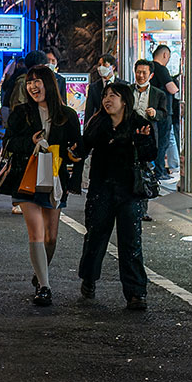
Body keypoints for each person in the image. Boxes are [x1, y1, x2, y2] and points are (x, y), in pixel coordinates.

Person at [0, 65, 83, 307]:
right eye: (30, 82)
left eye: (38, 81)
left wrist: (73, 154)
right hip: (27, 177)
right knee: (36, 232)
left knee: (51, 237)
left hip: (54, 179)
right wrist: (29, 141)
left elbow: (78, 147)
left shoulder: (67, 114)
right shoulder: (21, 112)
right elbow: (9, 143)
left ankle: (40, 270)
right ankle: (45, 286)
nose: (33, 86)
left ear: (49, 84)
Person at [77, 79, 155, 311]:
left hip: (130, 190)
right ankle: (89, 279)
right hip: (101, 188)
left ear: (124, 100)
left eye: (113, 96)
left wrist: (140, 141)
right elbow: (83, 148)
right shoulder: (97, 122)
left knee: (131, 241)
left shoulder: (139, 123)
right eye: (105, 96)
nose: (107, 100)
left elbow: (151, 153)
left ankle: (136, 293)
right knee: (95, 237)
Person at [130, 60, 170, 221]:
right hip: (129, 135)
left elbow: (164, 114)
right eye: (138, 72)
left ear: (151, 75)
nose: (140, 75)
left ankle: (142, 209)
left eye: (144, 73)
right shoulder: (127, 91)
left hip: (147, 137)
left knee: (144, 172)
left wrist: (154, 114)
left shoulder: (158, 94)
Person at [151, 43, 182, 192]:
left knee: (163, 140)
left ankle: (162, 170)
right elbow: (172, 89)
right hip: (164, 111)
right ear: (165, 55)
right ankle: (160, 172)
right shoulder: (161, 68)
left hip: (156, 110)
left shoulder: (151, 68)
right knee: (163, 142)